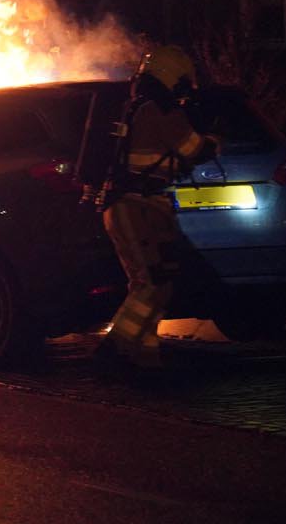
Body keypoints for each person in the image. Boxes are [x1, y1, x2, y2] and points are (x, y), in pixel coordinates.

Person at [89, 44, 216, 373]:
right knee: (151, 283)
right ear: (172, 75)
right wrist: (214, 140)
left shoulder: (138, 106)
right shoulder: (162, 109)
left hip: (132, 206)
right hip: (137, 207)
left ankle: (144, 354)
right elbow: (193, 148)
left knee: (157, 283)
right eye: (183, 82)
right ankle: (115, 346)